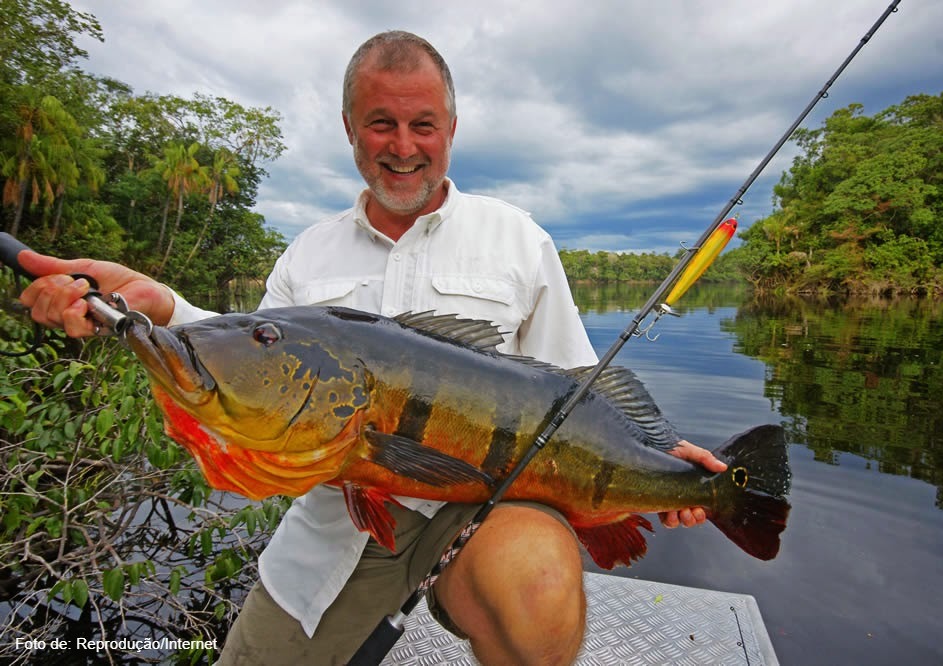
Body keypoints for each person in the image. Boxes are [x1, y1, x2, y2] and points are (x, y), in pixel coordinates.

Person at [18, 31, 726, 666]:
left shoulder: (519, 239)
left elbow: (578, 391)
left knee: (539, 582)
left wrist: (665, 459)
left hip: (485, 514)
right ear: (351, 129)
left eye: (423, 124)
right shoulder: (309, 253)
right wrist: (158, 304)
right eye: (381, 123)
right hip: (337, 531)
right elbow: (260, 361)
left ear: (451, 128)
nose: (403, 145)